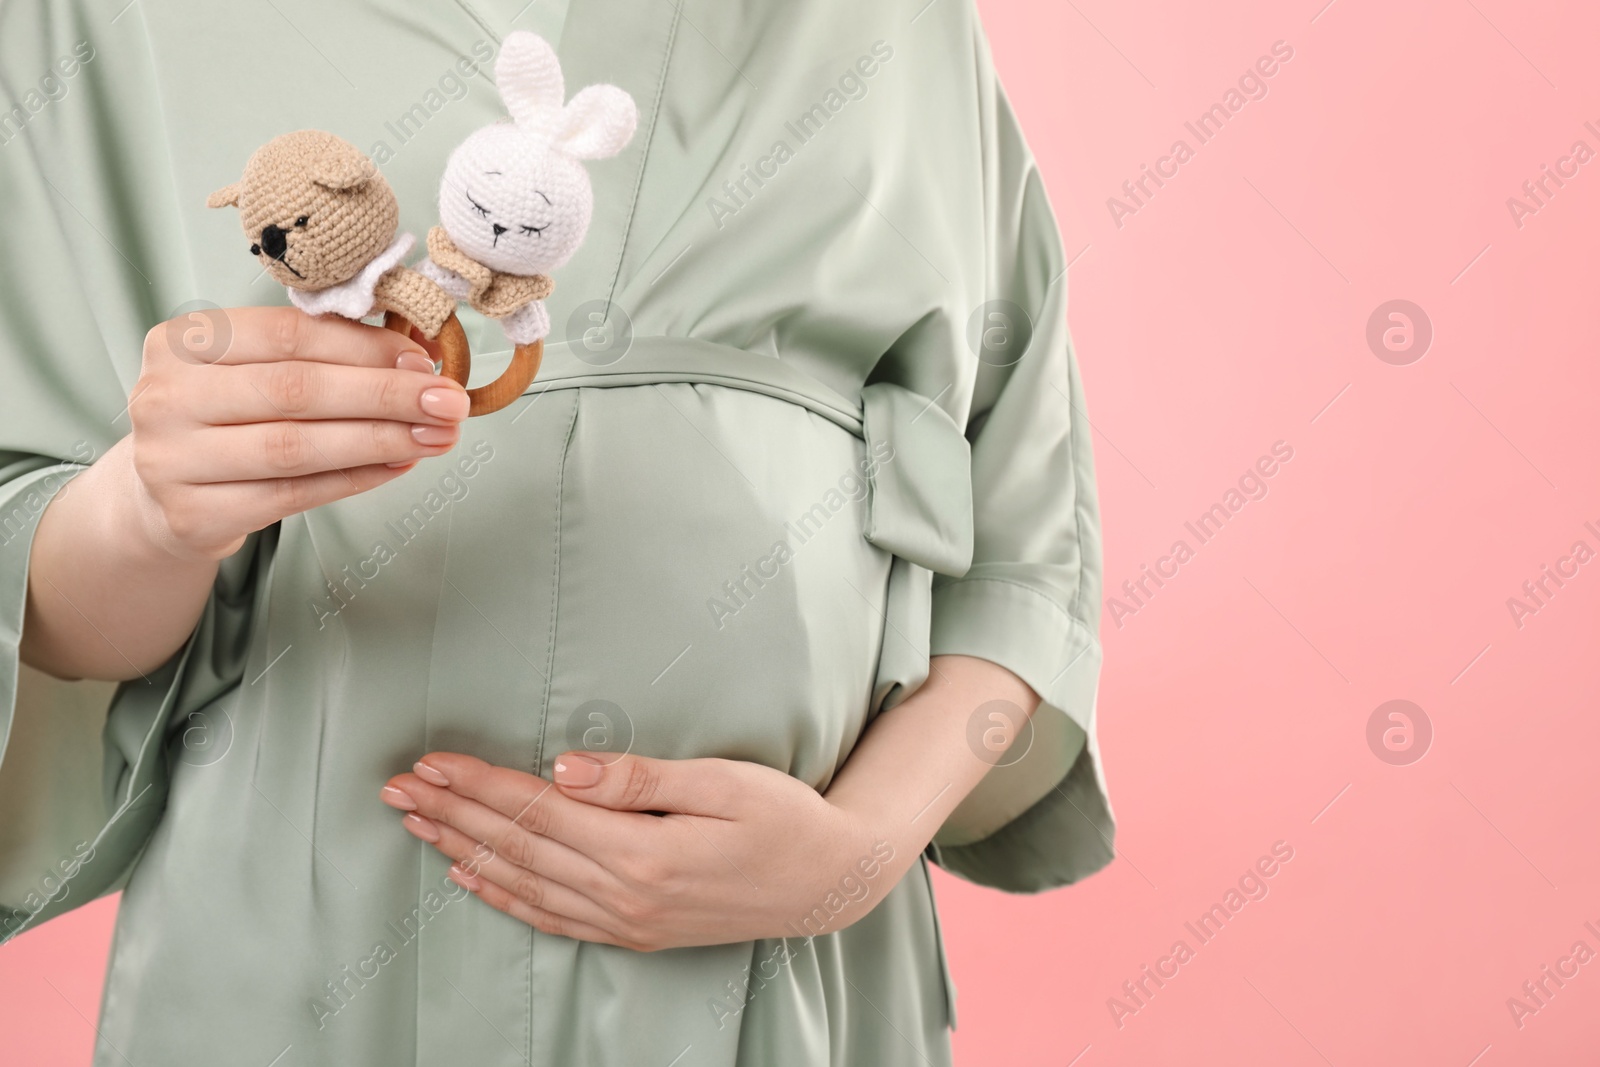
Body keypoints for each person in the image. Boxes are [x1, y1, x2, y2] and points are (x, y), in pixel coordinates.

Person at [0, 1, 1114, 1063]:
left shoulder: (903, 26)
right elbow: (35, 578)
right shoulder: (88, 23)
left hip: (783, 983)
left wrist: (860, 850)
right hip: (299, 958)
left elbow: (1023, 553)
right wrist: (149, 506)